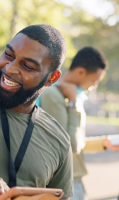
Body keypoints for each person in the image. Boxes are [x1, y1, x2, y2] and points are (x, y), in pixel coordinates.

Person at [37, 46, 119, 200]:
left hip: (74, 181)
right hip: (61, 185)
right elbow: (70, 145)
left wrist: (103, 143)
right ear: (81, 72)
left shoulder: (72, 95)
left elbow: (75, 141)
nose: (95, 85)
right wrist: (73, 103)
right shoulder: (54, 95)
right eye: (94, 79)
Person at [0, 24, 74, 199]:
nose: (10, 68)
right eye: (8, 55)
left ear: (51, 78)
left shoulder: (59, 141)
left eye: (27, 66)